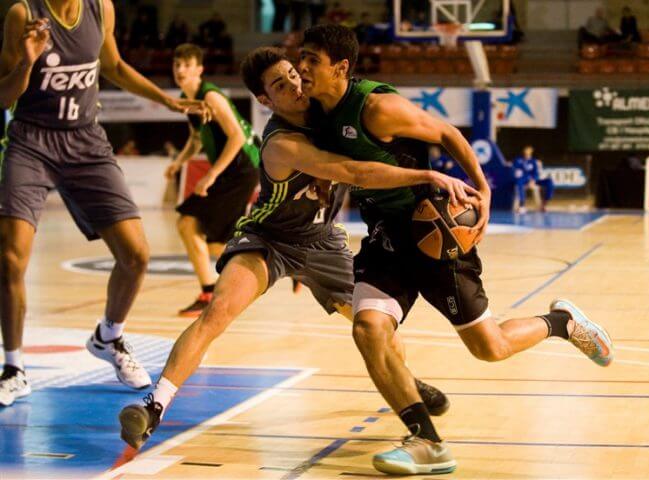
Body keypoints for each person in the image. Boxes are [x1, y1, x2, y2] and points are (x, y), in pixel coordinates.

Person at [298, 24, 614, 475]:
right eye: (301, 58)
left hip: (432, 234)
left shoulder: (377, 108)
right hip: (385, 236)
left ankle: (560, 323)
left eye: (312, 59)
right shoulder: (314, 113)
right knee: (369, 329)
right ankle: (426, 440)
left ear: (340, 68)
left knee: (490, 347)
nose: (302, 67)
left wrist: (483, 189)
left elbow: (446, 133)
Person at [117, 46, 470, 449]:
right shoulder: (281, 142)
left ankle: (406, 382)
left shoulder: (326, 111)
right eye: (280, 86)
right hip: (271, 239)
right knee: (217, 311)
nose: (295, 87)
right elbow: (351, 171)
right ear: (265, 100)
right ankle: (153, 407)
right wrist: (424, 174)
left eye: (294, 76)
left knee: (377, 324)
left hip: (321, 242)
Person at [0, 0, 206, 407]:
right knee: (10, 259)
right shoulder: (23, 14)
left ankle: (108, 337)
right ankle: (13, 367)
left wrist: (168, 101)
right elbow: (5, 97)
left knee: (136, 254)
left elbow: (114, 66)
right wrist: (26, 62)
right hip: (31, 141)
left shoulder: (102, 8)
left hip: (85, 139)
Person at [167, 44, 260, 317]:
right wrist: (179, 162)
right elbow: (196, 139)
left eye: (186, 65)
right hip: (232, 170)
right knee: (213, 241)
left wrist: (210, 174)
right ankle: (282, 267)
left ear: (199, 69)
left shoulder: (211, 97)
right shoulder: (189, 99)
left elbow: (238, 137)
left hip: (241, 167)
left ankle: (209, 291)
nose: (180, 70)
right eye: (176, 65)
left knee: (188, 223)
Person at [512, 145, 554, 213]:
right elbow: (516, 173)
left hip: (533, 181)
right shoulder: (518, 160)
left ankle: (544, 204)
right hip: (523, 181)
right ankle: (522, 205)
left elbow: (536, 173)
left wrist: (533, 180)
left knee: (549, 181)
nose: (527, 153)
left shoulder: (533, 161)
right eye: (526, 152)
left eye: (529, 152)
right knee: (519, 182)